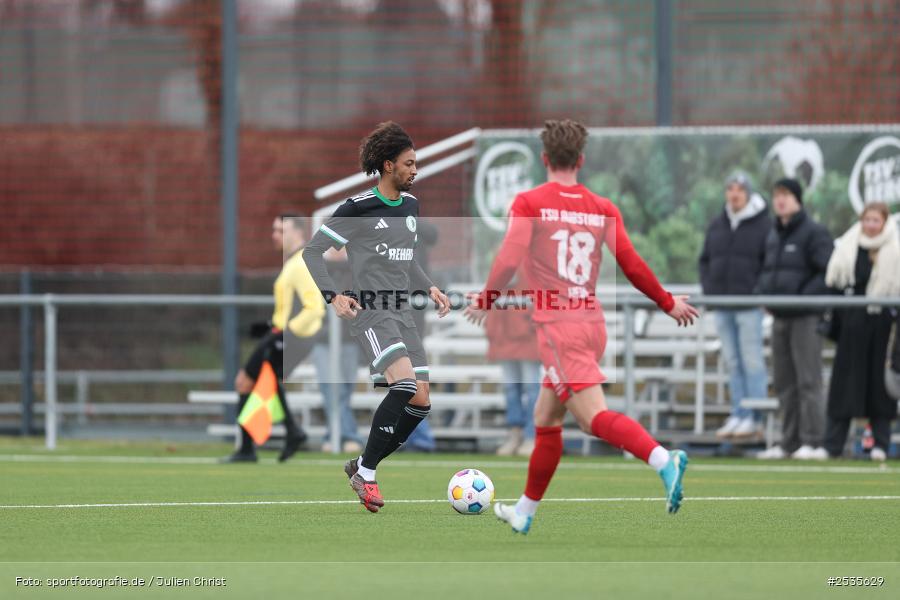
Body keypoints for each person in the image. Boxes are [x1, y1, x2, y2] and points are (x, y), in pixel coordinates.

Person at [465, 119, 699, 534]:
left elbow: (509, 256)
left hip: (559, 327)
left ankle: (664, 460)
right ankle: (525, 512)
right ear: (582, 160)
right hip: (591, 322)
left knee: (592, 419)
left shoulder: (529, 202)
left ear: (544, 159)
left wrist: (486, 299)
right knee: (546, 417)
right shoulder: (602, 206)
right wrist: (667, 302)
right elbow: (630, 263)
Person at [303, 122, 450, 512]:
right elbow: (312, 252)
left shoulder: (412, 207)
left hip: (403, 312)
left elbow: (407, 259)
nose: (415, 170)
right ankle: (367, 475)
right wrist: (332, 297)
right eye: (409, 163)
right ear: (388, 166)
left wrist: (428, 286)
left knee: (420, 403)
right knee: (402, 386)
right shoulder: (357, 208)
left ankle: (362, 466)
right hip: (371, 312)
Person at [222, 215, 325, 463]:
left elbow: (315, 308)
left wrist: (286, 331)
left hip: (288, 336)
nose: (275, 234)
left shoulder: (301, 263)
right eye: (274, 229)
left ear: (298, 233)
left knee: (247, 381)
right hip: (280, 333)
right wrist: (270, 327)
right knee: (258, 382)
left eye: (281, 229)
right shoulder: (292, 262)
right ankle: (290, 431)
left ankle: (253, 447)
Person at [755, 179, 834, 460]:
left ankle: (814, 442)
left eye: (786, 195)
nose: (780, 201)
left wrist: (801, 298)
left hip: (805, 318)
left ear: (798, 199)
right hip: (780, 318)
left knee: (808, 381)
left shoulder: (814, 232)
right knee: (784, 382)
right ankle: (789, 443)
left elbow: (827, 272)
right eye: (777, 195)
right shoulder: (773, 234)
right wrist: (765, 296)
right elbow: (765, 271)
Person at [824, 203, 899, 461]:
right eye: (867, 219)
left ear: (884, 222)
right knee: (843, 385)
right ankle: (833, 446)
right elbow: (836, 282)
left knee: (879, 389)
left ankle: (880, 444)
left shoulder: (895, 248)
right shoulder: (849, 244)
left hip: (881, 327)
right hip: (852, 326)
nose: (870, 225)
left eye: (875, 220)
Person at [699, 171, 772, 440]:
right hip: (722, 305)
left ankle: (756, 417)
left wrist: (758, 292)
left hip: (749, 306)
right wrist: (710, 290)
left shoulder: (764, 224)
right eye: (730, 188)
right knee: (732, 362)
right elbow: (704, 260)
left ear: (748, 193)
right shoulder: (718, 224)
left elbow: (769, 263)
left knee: (752, 361)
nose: (734, 193)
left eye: (739, 189)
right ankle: (739, 413)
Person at [311, 247, 364, 454]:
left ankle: (331, 434)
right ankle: (349, 435)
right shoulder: (318, 269)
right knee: (331, 390)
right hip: (324, 340)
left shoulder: (357, 268)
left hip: (349, 340)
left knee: (344, 391)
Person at [485, 281, 541, 456]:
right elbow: (492, 319)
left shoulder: (533, 280)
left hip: (529, 344)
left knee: (532, 390)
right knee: (511, 391)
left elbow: (536, 315)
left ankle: (531, 436)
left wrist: (522, 329)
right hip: (505, 345)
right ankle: (515, 434)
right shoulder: (500, 286)